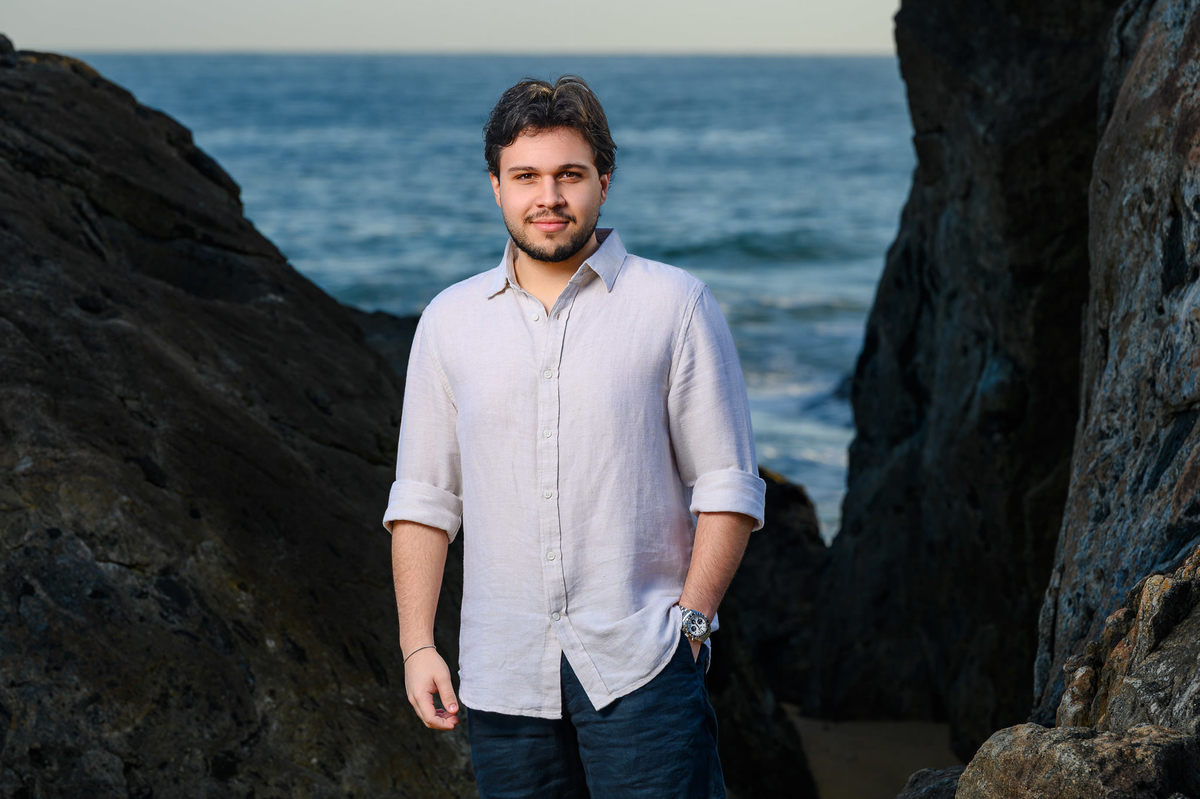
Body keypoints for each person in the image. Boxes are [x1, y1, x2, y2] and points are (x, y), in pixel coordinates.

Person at [383, 75, 766, 798]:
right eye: (526, 176)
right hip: (503, 678)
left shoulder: (675, 305)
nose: (548, 197)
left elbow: (728, 485)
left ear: (604, 182)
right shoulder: (449, 320)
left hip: (645, 668)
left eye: (570, 175)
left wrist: (692, 621)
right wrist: (417, 644)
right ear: (495, 185)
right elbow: (425, 498)